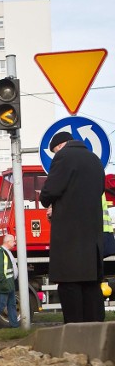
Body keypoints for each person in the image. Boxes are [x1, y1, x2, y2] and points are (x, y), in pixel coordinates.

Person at [40, 131, 105, 323]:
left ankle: (74, 335)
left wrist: (53, 206)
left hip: (70, 237)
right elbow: (98, 190)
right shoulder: (95, 160)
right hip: (92, 237)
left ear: (60, 146)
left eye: (54, 150)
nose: (55, 154)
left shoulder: (64, 157)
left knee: (70, 285)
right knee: (91, 287)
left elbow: (49, 192)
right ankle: (95, 333)